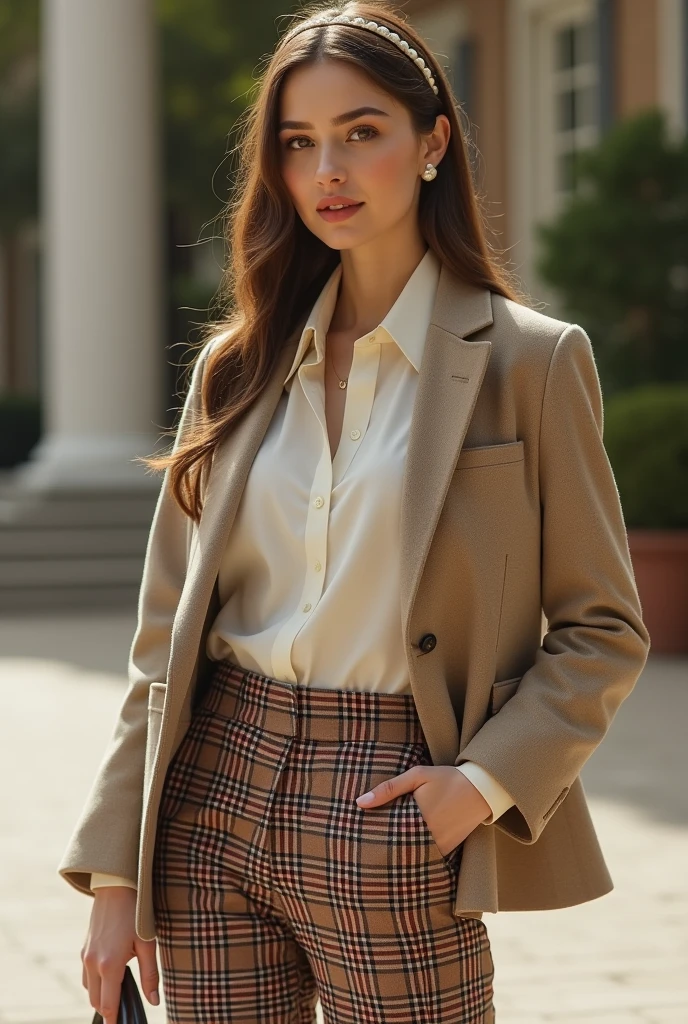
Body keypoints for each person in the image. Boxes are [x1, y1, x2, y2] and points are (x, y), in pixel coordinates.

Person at [58, 2, 651, 1022]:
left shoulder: (530, 361)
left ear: (431, 143)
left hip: (390, 794)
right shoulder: (235, 367)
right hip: (212, 789)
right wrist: (118, 872)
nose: (327, 169)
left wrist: (478, 784)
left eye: (360, 131)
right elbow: (163, 642)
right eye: (299, 144)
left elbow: (603, 629)